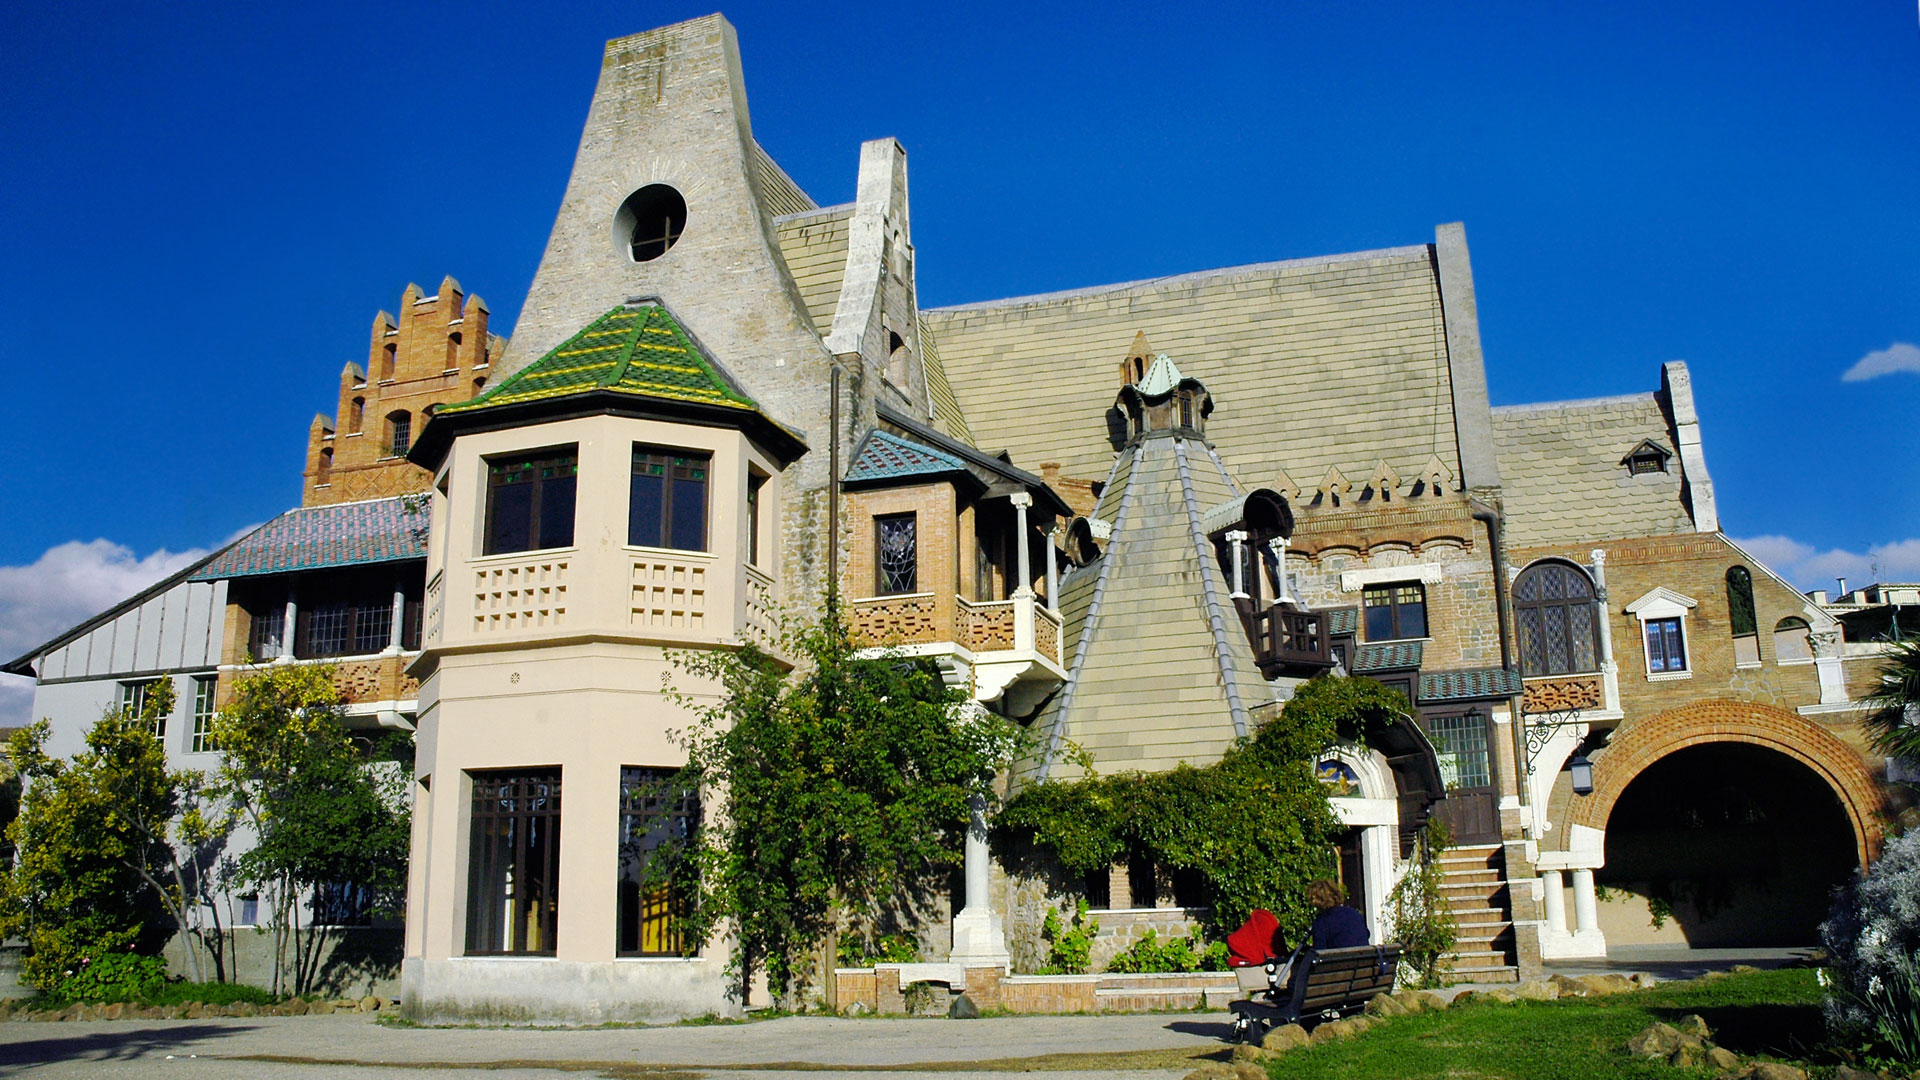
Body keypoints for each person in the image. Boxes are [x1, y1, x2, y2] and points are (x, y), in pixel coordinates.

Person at [1305, 878, 1370, 949]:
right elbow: (1366, 934)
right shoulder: (1353, 913)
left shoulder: (1321, 922)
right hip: (1364, 958)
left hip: (1340, 959)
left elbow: (1319, 950)